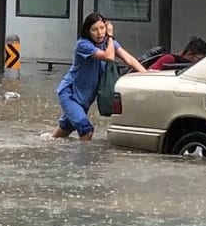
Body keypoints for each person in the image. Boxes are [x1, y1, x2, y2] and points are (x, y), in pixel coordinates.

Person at [50, 12, 146, 141]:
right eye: (94, 29)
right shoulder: (83, 45)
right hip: (70, 94)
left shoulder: (108, 43)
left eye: (102, 28)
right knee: (86, 131)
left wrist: (146, 74)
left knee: (64, 131)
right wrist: (111, 35)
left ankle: (46, 143)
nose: (100, 33)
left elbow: (128, 59)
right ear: (88, 31)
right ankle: (82, 161)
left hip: (85, 98)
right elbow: (109, 57)